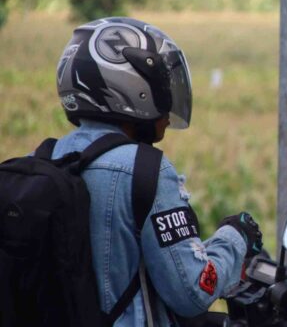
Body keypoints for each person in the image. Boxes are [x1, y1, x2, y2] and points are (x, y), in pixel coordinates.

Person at [52, 17, 263, 326]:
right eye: (161, 86)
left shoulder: (47, 158)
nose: (168, 104)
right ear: (130, 89)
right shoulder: (144, 170)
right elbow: (192, 291)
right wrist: (235, 237)